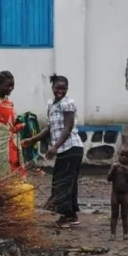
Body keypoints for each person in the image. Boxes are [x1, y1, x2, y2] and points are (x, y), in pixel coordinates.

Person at [23, 75, 81, 226]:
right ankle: (72, 215)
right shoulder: (51, 104)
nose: (60, 91)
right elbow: (51, 128)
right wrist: (33, 139)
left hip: (72, 147)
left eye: (63, 88)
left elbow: (68, 127)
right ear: (52, 88)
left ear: (67, 89)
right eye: (57, 88)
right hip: (63, 149)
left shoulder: (68, 103)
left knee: (63, 182)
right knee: (67, 181)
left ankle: (66, 216)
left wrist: (55, 146)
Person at [106, 143, 128, 241]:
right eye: (121, 155)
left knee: (125, 215)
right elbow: (109, 179)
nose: (123, 158)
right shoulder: (115, 166)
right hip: (115, 194)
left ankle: (125, 234)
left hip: (125, 194)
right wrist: (113, 170)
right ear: (118, 154)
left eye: (126, 156)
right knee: (114, 214)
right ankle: (112, 234)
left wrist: (126, 173)